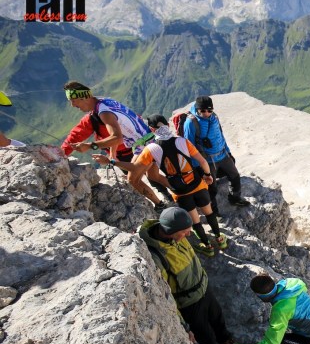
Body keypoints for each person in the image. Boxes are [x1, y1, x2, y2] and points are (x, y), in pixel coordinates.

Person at [94, 122, 227, 257]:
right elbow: (203, 161)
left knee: (196, 221)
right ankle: (220, 240)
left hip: (181, 192)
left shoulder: (151, 149)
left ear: (152, 129)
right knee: (209, 213)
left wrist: (111, 161)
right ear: (167, 125)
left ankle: (208, 247)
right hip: (197, 184)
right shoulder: (182, 141)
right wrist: (208, 175)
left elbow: (134, 168)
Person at [139, 207, 232, 344]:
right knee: (204, 334)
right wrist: (183, 325)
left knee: (217, 318)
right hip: (189, 304)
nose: (188, 235)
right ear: (170, 231)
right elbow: (165, 294)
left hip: (204, 288)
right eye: (185, 232)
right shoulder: (155, 255)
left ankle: (226, 341)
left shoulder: (177, 236)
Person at [63, 81, 169, 210]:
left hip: (141, 145)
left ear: (83, 97)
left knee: (133, 180)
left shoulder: (103, 113)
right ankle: (181, 191)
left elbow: (117, 138)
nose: (72, 105)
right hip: (147, 139)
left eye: (73, 101)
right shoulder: (105, 102)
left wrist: (90, 146)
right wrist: (113, 153)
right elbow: (118, 131)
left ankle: (161, 205)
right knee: (153, 176)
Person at [181, 96, 249, 215]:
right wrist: (197, 166)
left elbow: (220, 136)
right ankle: (214, 212)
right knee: (211, 187)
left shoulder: (215, 117)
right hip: (207, 160)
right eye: (203, 110)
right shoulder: (191, 123)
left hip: (222, 155)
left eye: (209, 110)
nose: (206, 113)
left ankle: (235, 198)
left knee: (235, 176)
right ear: (197, 109)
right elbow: (190, 146)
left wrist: (228, 152)